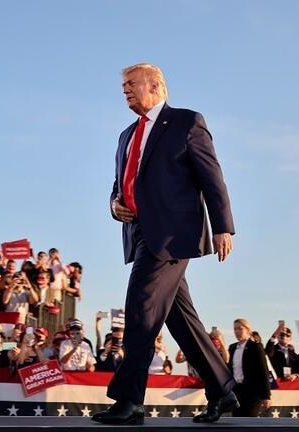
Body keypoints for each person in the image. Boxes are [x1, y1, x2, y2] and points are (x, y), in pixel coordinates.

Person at [94, 63, 237, 426]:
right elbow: (119, 184)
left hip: (173, 234)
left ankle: (130, 400)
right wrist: (114, 204)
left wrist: (223, 226)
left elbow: (211, 175)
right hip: (140, 231)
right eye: (123, 85)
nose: (125, 90)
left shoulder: (187, 122)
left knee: (141, 307)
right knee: (181, 319)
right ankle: (222, 389)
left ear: (155, 86)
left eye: (131, 83)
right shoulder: (126, 135)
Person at [227, 319, 271, 417]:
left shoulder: (256, 347)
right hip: (236, 391)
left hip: (252, 393)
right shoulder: (232, 347)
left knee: (249, 421)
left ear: (248, 330)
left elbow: (263, 371)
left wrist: (266, 396)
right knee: (236, 421)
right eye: (235, 329)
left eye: (240, 329)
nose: (237, 331)